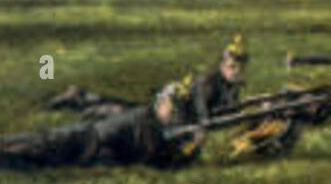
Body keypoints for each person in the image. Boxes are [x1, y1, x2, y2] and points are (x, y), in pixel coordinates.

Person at [0, 79, 205, 174]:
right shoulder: (146, 123)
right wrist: (191, 149)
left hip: (75, 139)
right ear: (161, 103)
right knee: (1, 153)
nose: (174, 116)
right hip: (72, 145)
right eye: (172, 108)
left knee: (1, 146)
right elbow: (157, 160)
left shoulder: (145, 117)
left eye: (178, 112)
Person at [45, 35, 248, 122]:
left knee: (134, 110)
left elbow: (229, 106)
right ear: (222, 66)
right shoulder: (209, 81)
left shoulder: (230, 83)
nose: (235, 72)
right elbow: (202, 107)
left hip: (179, 108)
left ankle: (84, 97)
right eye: (231, 67)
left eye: (239, 68)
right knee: (135, 114)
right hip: (173, 104)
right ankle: (89, 106)